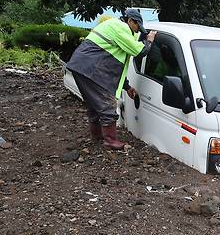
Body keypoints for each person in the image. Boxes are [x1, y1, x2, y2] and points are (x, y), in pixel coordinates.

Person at [67, 9, 157, 150]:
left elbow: (117, 65)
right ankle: (110, 141)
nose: (137, 30)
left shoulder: (114, 26)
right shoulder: (120, 28)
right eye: (137, 26)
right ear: (130, 21)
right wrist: (149, 41)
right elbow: (139, 51)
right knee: (107, 104)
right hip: (90, 69)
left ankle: (97, 138)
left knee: (94, 105)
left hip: (84, 67)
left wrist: (126, 87)